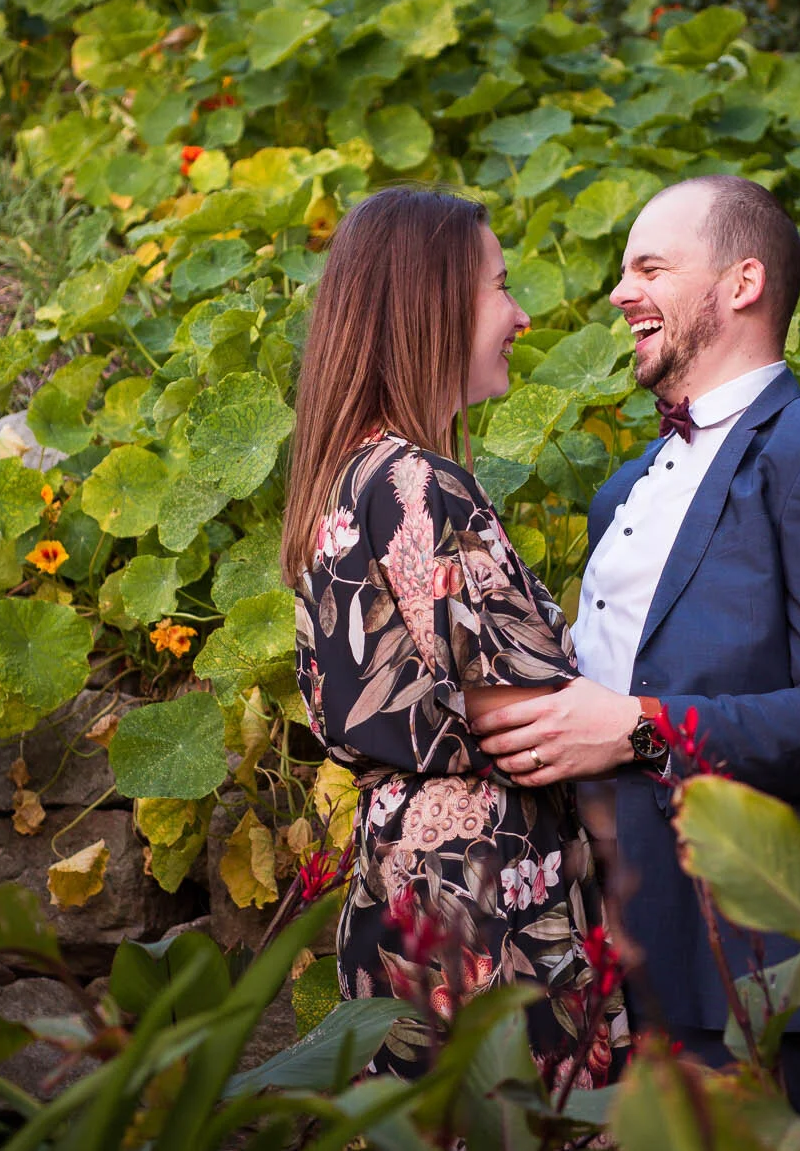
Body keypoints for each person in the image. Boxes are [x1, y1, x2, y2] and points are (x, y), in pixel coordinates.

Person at [468, 174, 800, 1112]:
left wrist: (638, 727)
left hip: (742, 954)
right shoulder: (623, 490)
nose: (621, 292)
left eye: (651, 267)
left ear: (742, 282)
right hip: (586, 942)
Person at [282, 185, 631, 1088]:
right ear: (432, 302)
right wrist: (658, 726)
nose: (519, 315)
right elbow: (536, 722)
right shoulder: (420, 486)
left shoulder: (348, 476)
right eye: (499, 286)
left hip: (402, 884)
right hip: (480, 901)